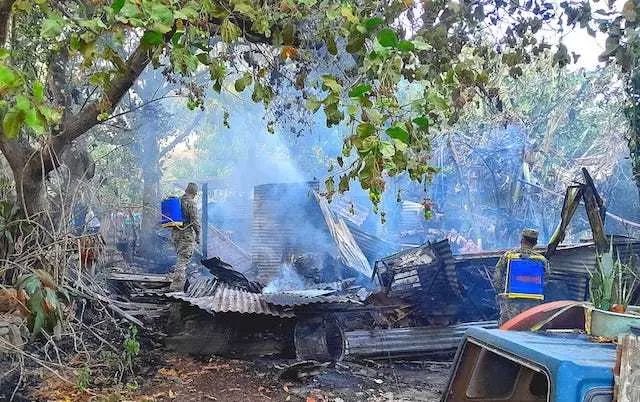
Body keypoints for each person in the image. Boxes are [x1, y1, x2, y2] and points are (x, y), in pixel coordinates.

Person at [493, 228, 549, 326]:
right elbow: (545, 281)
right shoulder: (542, 260)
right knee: (529, 332)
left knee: (506, 330)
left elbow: (497, 277)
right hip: (533, 305)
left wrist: (501, 292)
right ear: (535, 243)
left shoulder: (509, 256)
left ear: (521, 240)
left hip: (511, 303)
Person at [169, 183, 201, 291]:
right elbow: (195, 221)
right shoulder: (191, 203)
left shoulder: (178, 201)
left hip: (175, 234)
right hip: (185, 234)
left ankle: (179, 282)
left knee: (180, 258)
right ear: (194, 193)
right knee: (183, 260)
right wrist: (198, 235)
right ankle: (176, 287)